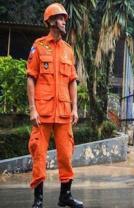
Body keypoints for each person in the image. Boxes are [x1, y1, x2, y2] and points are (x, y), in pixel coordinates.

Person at [26, 3, 83, 208]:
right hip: (42, 113)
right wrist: (32, 108)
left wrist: (75, 108)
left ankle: (65, 196)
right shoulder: (39, 46)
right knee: (39, 154)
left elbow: (72, 82)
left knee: (66, 155)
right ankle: (38, 200)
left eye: (65, 18)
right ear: (50, 21)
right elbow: (31, 78)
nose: (64, 21)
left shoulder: (68, 50)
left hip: (64, 113)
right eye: (60, 18)